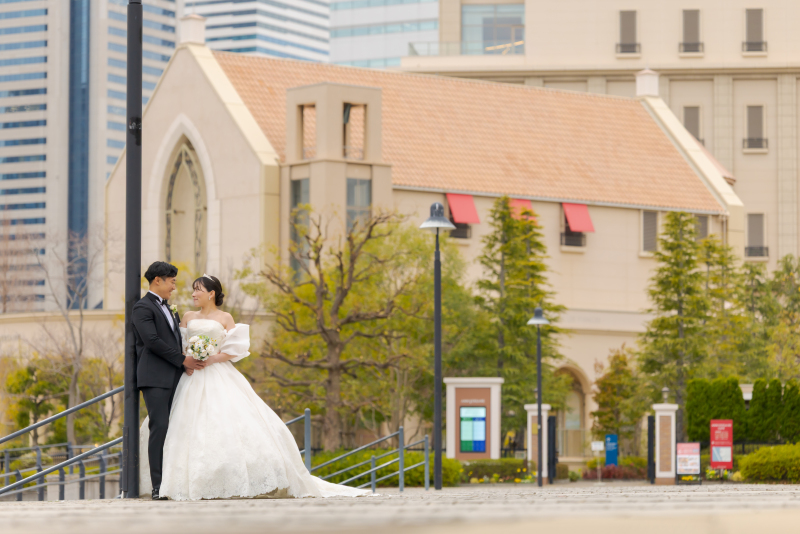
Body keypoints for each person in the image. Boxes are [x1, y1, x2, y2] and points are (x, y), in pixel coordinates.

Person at [139, 274, 369, 500]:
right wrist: (187, 360)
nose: (193, 293)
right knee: (183, 425)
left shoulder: (226, 317)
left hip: (218, 372)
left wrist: (210, 358)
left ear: (211, 293)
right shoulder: (187, 316)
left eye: (198, 289)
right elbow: (176, 344)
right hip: (190, 375)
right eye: (192, 289)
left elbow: (233, 350)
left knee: (226, 423)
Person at [132, 262, 207, 500]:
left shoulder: (171, 308)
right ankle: (157, 486)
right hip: (154, 376)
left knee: (176, 429)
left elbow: (174, 339)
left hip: (175, 375)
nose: (174, 287)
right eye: (171, 281)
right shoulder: (142, 307)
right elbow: (152, 341)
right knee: (160, 427)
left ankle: (174, 482)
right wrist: (183, 359)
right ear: (158, 280)